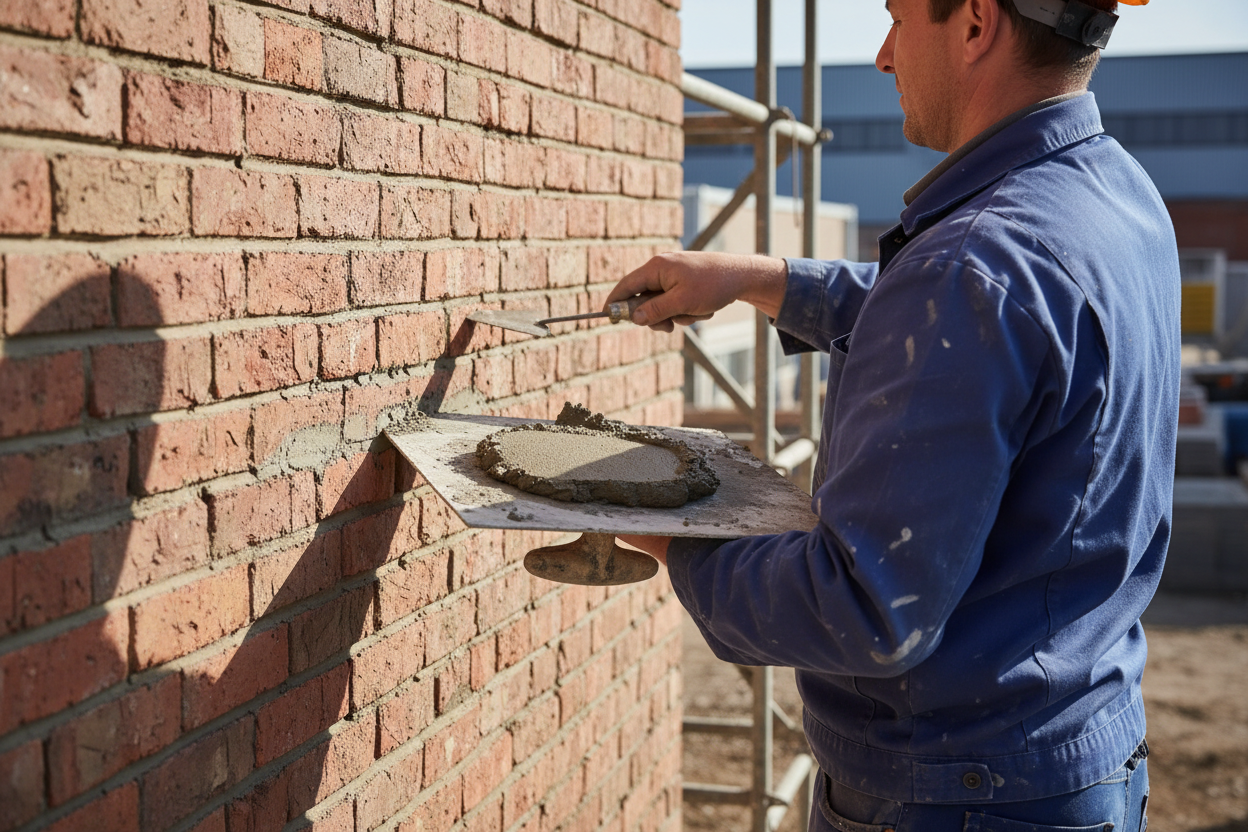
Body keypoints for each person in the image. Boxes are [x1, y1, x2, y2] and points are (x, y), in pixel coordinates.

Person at [611, 0, 1179, 829]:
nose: (882, 56)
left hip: (950, 795)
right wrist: (758, 277)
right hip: (1073, 759)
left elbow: (863, 612)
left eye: (897, 19)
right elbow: (981, 330)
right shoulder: (1112, 195)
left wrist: (664, 533)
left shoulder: (974, 265)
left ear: (977, 21)